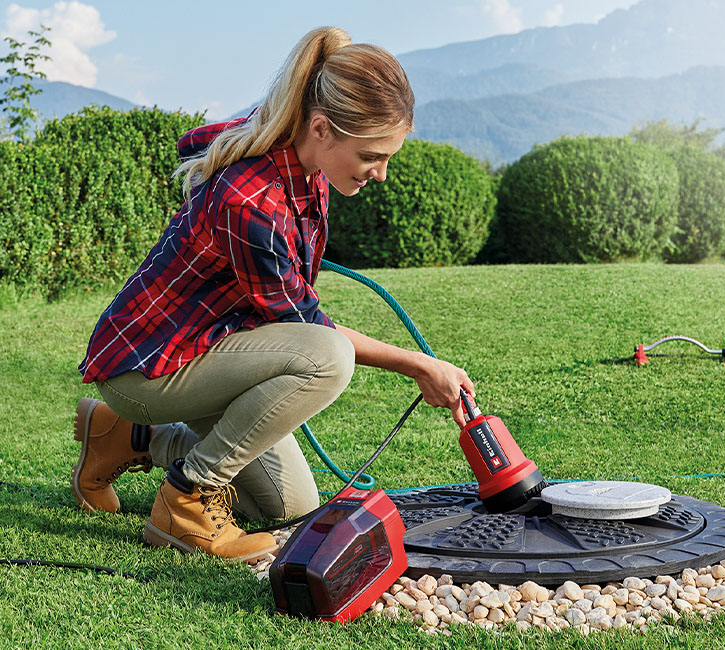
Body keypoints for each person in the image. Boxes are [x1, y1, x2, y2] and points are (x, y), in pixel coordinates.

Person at [72, 26, 474, 563]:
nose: (380, 174)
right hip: (150, 368)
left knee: (289, 506)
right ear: (321, 128)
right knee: (327, 359)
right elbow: (309, 331)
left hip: (205, 348)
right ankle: (185, 500)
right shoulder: (253, 201)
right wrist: (418, 364)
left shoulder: (305, 165)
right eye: (372, 156)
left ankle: (128, 437)